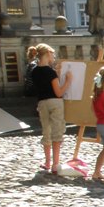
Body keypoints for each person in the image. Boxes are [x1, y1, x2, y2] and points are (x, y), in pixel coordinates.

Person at [30, 44, 71, 175]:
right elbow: (58, 92)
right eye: (52, 54)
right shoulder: (50, 72)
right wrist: (68, 82)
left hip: (42, 103)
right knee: (57, 132)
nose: (54, 57)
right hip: (55, 103)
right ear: (47, 53)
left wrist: (57, 75)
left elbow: (43, 86)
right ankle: (55, 163)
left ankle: (47, 162)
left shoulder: (34, 71)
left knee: (46, 131)